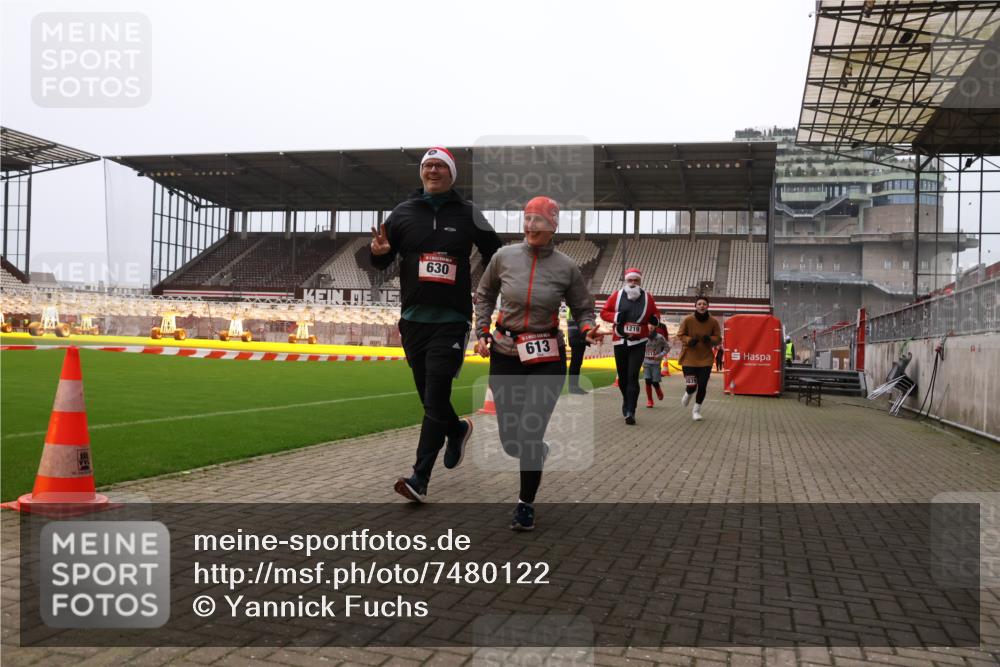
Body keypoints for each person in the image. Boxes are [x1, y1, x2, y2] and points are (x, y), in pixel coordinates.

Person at [370, 146, 503, 503]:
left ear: (450, 174)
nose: (432, 171)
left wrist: (486, 285)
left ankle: (419, 477)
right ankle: (457, 429)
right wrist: (378, 253)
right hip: (413, 320)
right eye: (427, 165)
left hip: (452, 319)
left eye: (439, 166)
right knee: (430, 398)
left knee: (434, 396)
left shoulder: (468, 213)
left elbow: (496, 252)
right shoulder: (402, 213)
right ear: (421, 173)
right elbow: (380, 260)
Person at [475, 196, 601, 531]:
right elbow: (484, 294)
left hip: (547, 357)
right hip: (505, 352)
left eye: (539, 220)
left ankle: (525, 504)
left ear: (554, 226)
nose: (531, 226)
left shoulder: (566, 267)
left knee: (530, 431)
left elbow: (583, 308)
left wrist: (587, 329)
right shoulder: (503, 257)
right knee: (510, 439)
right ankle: (535, 451)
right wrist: (481, 330)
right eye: (528, 219)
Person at [600, 268, 660, 425]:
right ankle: (626, 400)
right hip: (620, 341)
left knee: (633, 375)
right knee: (623, 377)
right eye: (630, 280)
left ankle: (630, 411)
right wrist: (615, 317)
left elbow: (656, 315)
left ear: (640, 282)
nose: (633, 284)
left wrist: (654, 321)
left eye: (636, 281)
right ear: (626, 281)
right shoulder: (616, 295)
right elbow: (603, 312)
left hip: (638, 343)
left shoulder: (648, 298)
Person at [676, 296, 721, 421]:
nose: (702, 306)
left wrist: (710, 340)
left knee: (702, 386)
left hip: (705, 359)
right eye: (699, 304)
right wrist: (689, 340)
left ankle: (696, 410)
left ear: (707, 306)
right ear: (695, 306)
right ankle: (688, 393)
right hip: (689, 358)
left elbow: (718, 338)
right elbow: (680, 335)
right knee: (691, 385)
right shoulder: (688, 320)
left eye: (704, 304)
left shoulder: (713, 321)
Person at [643, 324, 669, 408]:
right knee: (647, 381)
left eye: (652, 326)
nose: (650, 327)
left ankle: (658, 390)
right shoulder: (642, 336)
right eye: (648, 325)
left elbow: (667, 348)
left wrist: (660, 355)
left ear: (655, 327)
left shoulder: (660, 337)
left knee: (654, 382)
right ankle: (650, 400)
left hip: (656, 363)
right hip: (646, 363)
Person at [565, 308, 589, 394]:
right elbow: (578, 324)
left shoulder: (573, 308)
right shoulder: (576, 307)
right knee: (576, 362)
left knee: (576, 362)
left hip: (575, 336)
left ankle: (573, 387)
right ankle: (573, 387)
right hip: (577, 336)